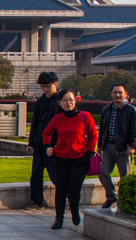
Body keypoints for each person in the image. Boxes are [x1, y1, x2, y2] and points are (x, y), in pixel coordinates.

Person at [42, 90, 97, 229]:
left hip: (80, 159)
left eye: (71, 100)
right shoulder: (58, 118)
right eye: (65, 100)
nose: (68, 103)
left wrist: (90, 151)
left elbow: (93, 135)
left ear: (76, 100)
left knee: (74, 188)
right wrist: (48, 146)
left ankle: (74, 212)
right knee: (60, 189)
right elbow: (46, 133)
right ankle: (58, 218)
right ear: (59, 103)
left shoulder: (85, 116)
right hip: (61, 158)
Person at [97, 83, 136, 208]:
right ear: (111, 94)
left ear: (126, 94)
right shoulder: (106, 109)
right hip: (108, 146)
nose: (117, 95)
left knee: (125, 176)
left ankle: (124, 199)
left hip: (123, 148)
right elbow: (103, 128)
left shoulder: (131, 110)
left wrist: (132, 146)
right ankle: (111, 197)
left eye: (120, 92)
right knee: (102, 172)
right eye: (115, 92)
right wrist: (100, 146)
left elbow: (135, 130)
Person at [26, 71, 61, 210]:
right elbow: (35, 122)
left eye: (48, 86)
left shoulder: (60, 101)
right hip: (39, 144)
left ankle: (69, 197)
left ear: (55, 84)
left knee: (55, 174)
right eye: (43, 86)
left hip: (53, 145)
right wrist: (31, 143)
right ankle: (37, 201)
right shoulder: (41, 101)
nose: (46, 89)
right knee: (35, 175)